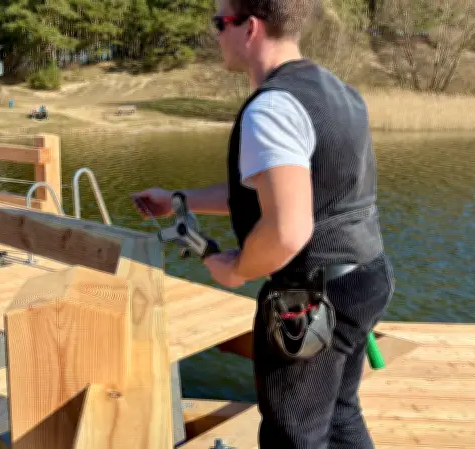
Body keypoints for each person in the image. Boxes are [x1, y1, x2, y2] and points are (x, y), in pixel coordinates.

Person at [131, 0, 394, 448]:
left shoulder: (272, 109)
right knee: (340, 415)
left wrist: (236, 269)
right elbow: (276, 192)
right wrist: (179, 200)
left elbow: (288, 231)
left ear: (249, 27)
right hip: (365, 278)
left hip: (311, 302)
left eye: (220, 23)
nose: (216, 34)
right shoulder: (337, 91)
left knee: (292, 435)